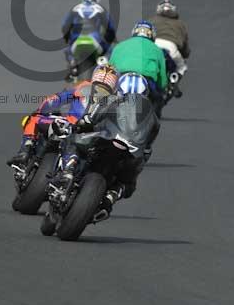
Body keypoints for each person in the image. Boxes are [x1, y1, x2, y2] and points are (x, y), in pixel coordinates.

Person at [50, 63, 160, 218]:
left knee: (73, 140)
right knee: (127, 184)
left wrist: (82, 123)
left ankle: (68, 172)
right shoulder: (153, 118)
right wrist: (140, 159)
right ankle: (110, 199)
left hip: (105, 141)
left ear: (120, 88)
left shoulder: (113, 99)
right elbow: (148, 146)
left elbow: (93, 116)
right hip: (131, 154)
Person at [7, 80, 93, 167]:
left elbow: (55, 100)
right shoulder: (100, 96)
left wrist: (40, 110)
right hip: (89, 133)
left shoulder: (85, 87)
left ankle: (24, 151)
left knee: (33, 119)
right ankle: (69, 170)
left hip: (68, 125)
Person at [62, 0, 116, 81]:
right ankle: (102, 64)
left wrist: (67, 39)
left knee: (68, 50)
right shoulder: (100, 9)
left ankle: (72, 62)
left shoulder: (76, 8)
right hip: (95, 40)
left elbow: (65, 26)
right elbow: (110, 28)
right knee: (110, 49)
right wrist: (109, 39)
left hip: (77, 40)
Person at [109, 20, 168, 105]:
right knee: (157, 102)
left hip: (121, 77)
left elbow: (110, 68)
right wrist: (161, 89)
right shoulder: (157, 49)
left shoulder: (120, 46)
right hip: (147, 80)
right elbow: (162, 79)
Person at [150, 0, 190, 79]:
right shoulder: (180, 24)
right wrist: (185, 54)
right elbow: (185, 49)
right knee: (182, 67)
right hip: (171, 48)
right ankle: (173, 85)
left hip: (152, 46)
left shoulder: (151, 20)